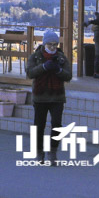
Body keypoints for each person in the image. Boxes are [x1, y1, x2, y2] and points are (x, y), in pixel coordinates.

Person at [25, 30, 72, 165]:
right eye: (50, 44)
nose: (52, 47)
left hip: (57, 96)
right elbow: (30, 73)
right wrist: (44, 67)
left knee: (57, 124)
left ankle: (53, 152)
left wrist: (59, 70)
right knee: (39, 125)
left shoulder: (61, 57)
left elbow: (68, 76)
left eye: (55, 44)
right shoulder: (35, 57)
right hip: (40, 96)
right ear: (44, 43)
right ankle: (39, 152)